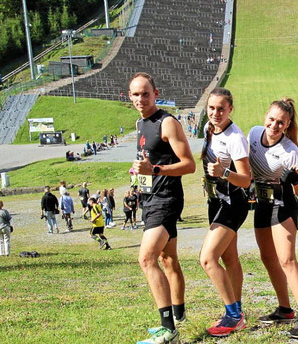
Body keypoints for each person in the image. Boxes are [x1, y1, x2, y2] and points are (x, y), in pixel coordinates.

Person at [129, 72, 196, 344]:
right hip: (150, 197)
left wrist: (155, 169)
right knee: (168, 260)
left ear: (156, 93)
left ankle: (167, 327)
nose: (140, 99)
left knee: (146, 258)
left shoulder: (167, 123)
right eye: (135, 94)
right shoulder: (140, 124)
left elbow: (189, 164)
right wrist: (137, 177)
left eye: (145, 93)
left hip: (166, 198)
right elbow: (147, 161)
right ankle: (179, 316)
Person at [249, 98, 298, 339]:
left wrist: (294, 180)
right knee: (267, 257)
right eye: (272, 119)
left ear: (287, 126)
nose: (274, 126)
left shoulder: (290, 151)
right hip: (262, 203)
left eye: (281, 123)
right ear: (265, 116)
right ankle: (285, 308)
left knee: (287, 260)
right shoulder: (254, 133)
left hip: (283, 204)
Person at [198, 88, 252, 337]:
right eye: (212, 108)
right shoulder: (209, 129)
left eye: (221, 108)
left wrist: (224, 173)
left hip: (233, 203)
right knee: (229, 258)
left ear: (230, 108)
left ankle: (232, 315)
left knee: (208, 259)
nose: (215, 113)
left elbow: (246, 179)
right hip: (215, 201)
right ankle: (237, 309)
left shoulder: (235, 137)